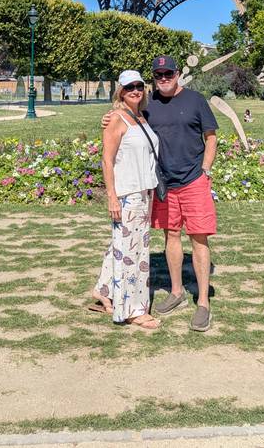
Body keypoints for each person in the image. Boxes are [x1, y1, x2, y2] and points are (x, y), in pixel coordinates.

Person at [102, 55, 218, 332]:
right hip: (164, 185)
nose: (164, 78)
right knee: (171, 235)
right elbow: (124, 118)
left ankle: (203, 302)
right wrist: (109, 115)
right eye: (159, 75)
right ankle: (176, 291)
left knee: (199, 238)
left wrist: (205, 169)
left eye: (169, 73)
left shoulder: (196, 101)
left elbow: (210, 136)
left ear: (178, 74)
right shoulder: (147, 104)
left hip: (193, 181)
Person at [91, 70, 160, 331]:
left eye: (139, 86)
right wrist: (112, 197)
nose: (135, 90)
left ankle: (104, 289)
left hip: (145, 192)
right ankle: (133, 310)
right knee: (134, 253)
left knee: (122, 246)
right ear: (120, 91)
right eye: (129, 87)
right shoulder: (116, 119)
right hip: (128, 194)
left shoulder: (141, 117)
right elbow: (107, 160)